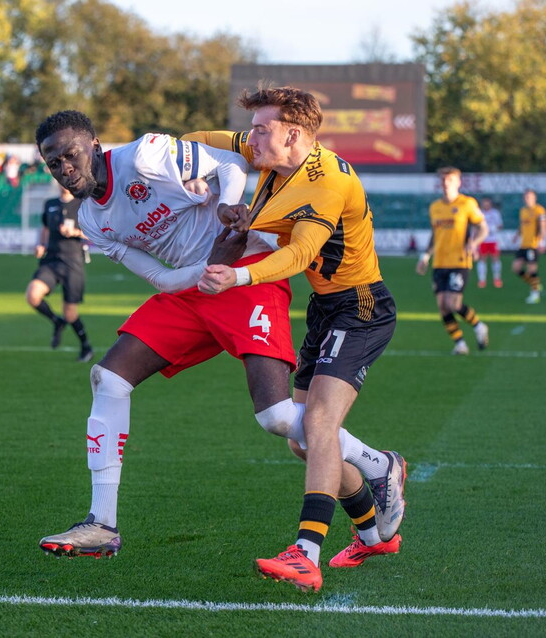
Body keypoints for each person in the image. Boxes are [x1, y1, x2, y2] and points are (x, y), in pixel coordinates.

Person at [35, 110, 404, 573]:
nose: (65, 169)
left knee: (274, 418)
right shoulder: (91, 220)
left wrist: (230, 213)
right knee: (108, 377)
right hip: (195, 288)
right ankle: (102, 524)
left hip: (246, 278)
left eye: (70, 155)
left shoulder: (146, 154)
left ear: (93, 146)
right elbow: (158, 278)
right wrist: (205, 271)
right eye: (54, 163)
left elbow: (230, 164)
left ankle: (376, 464)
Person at [193, 86, 406, 592]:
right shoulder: (272, 148)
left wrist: (239, 277)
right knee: (302, 441)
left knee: (319, 422)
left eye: (262, 129)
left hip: (360, 306)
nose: (253, 139)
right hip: (326, 307)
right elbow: (200, 140)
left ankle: (305, 552)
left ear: (294, 134)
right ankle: (375, 519)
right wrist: (188, 172)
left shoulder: (325, 183)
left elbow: (297, 254)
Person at [416, 167, 490, 355]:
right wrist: (425, 256)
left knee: (454, 304)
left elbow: (483, 228)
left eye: (449, 180)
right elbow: (435, 234)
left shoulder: (467, 203)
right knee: (442, 306)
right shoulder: (435, 207)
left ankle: (479, 326)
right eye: (443, 180)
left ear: (458, 183)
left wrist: (473, 243)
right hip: (439, 262)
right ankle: (460, 344)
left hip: (459, 261)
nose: (445, 183)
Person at [25, 183, 94, 362]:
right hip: (51, 261)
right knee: (33, 295)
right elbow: (46, 228)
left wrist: (75, 232)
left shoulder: (82, 204)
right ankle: (57, 321)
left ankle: (86, 346)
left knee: (70, 313)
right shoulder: (50, 203)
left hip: (73, 263)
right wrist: (41, 245)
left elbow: (95, 233)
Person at [512, 188, 546, 304]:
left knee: (532, 269)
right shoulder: (523, 210)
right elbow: (522, 225)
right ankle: (535, 284)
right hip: (523, 244)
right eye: (526, 197)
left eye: (530, 197)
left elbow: (543, 226)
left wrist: (542, 242)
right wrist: (517, 235)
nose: (527, 199)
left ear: (534, 198)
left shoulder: (539, 210)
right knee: (516, 268)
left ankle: (535, 294)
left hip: (533, 244)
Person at [476, 197, 504, 288]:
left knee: (495, 258)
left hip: (493, 240)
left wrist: (494, 228)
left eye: (487, 203)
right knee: (482, 259)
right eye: (484, 203)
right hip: (482, 240)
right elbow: (475, 226)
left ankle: (497, 279)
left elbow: (500, 225)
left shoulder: (495, 213)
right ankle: (482, 280)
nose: (486, 205)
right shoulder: (479, 213)